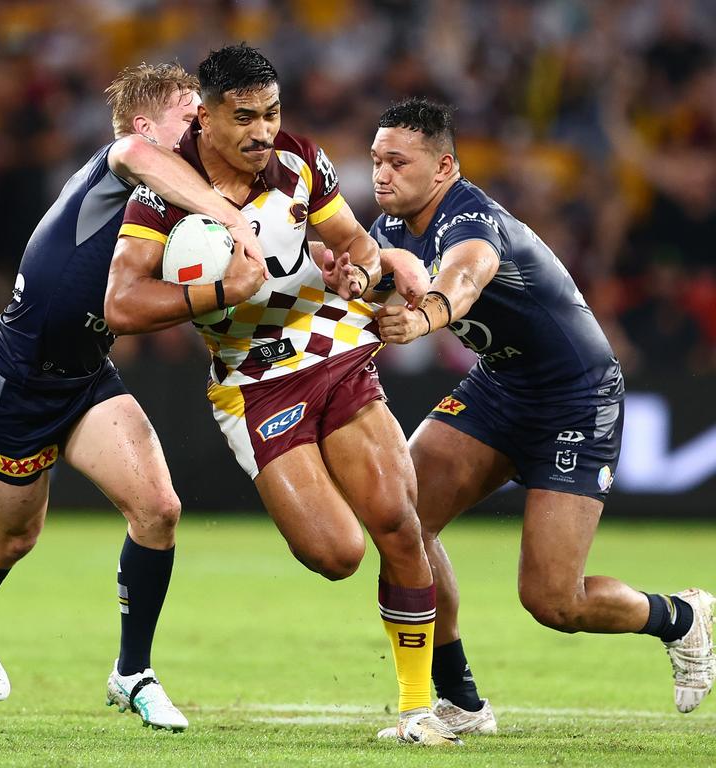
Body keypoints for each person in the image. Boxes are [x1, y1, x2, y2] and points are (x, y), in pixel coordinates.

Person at [106, 44, 462, 747]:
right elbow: (121, 303)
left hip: (332, 347)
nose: (262, 130)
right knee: (336, 555)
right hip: (251, 379)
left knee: (397, 517)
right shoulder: (164, 191)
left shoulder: (300, 161)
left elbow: (354, 242)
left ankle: (421, 709)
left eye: (271, 112)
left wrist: (362, 272)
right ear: (203, 117)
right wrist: (217, 292)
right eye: (244, 117)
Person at [0, 62, 268, 733]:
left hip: (85, 377)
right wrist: (231, 218)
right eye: (187, 115)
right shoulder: (118, 165)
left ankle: (132, 672)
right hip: (10, 385)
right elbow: (135, 154)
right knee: (14, 536)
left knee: (160, 509)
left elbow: (144, 303)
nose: (200, 127)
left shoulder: (177, 202)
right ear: (148, 124)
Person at [369, 97, 715, 735]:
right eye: (376, 161)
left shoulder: (470, 219)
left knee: (555, 600)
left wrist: (420, 318)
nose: (381, 174)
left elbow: (466, 277)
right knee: (403, 520)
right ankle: (460, 704)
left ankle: (683, 617)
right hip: (500, 385)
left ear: (443, 166)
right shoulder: (391, 231)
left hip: (575, 399)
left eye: (398, 161)